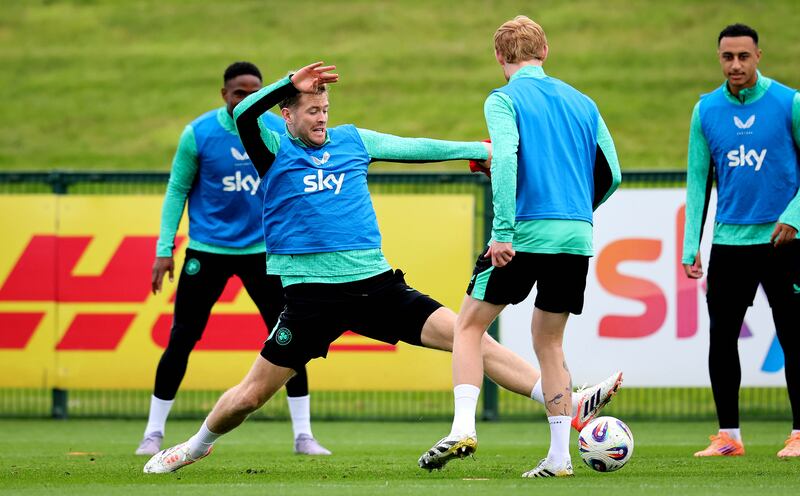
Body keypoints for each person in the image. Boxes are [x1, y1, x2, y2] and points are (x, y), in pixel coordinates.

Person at [142, 61, 622, 474]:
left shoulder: (352, 140)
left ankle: (570, 402)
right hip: (311, 300)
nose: (321, 118)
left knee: (470, 337)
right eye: (311, 110)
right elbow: (242, 112)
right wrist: (289, 82)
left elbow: (417, 147)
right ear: (287, 114)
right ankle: (193, 447)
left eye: (325, 109)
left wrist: (480, 151)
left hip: (377, 288)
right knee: (249, 397)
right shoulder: (272, 149)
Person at [419, 16, 622, 478]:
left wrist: (503, 231)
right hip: (576, 234)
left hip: (525, 232)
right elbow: (612, 173)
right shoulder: (584, 102)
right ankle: (560, 458)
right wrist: (577, 210)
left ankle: (463, 428)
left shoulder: (503, 99)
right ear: (544, 51)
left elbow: (505, 157)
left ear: (499, 56)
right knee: (549, 342)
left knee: (468, 326)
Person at [136, 61, 330, 457]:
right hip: (208, 250)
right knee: (182, 337)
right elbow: (177, 189)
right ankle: (152, 433)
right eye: (239, 93)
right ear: (224, 94)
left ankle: (304, 436)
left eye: (254, 92)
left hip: (264, 252)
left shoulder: (278, 129)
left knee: (291, 339)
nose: (246, 98)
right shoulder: (199, 133)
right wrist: (163, 249)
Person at [683, 24, 800, 459]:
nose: (735, 64)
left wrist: (794, 217)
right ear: (719, 58)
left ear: (758, 56)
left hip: (783, 242)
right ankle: (728, 437)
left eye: (743, 56)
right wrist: (690, 245)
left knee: (794, 336)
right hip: (729, 243)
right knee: (722, 338)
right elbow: (698, 180)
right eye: (728, 56)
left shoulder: (789, 102)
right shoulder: (705, 110)